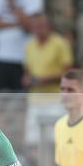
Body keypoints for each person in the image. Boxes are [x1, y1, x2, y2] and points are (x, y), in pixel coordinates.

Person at [23, 13, 72, 145]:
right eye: (36, 26)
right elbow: (27, 72)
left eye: (41, 26)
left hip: (55, 99)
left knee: (53, 140)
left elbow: (68, 74)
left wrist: (46, 79)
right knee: (33, 141)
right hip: (35, 99)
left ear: (49, 26)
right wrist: (27, 80)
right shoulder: (29, 46)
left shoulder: (60, 43)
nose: (38, 29)